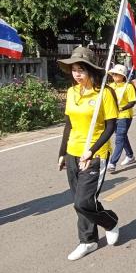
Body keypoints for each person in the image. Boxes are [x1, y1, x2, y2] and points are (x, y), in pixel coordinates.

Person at [57, 46, 119, 261]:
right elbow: (68, 124)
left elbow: (111, 127)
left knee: (82, 202)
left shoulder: (105, 93)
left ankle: (110, 221)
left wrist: (91, 151)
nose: (77, 74)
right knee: (80, 200)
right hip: (73, 152)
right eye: (74, 69)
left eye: (81, 69)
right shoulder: (72, 92)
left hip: (96, 154)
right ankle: (88, 240)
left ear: (91, 71)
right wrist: (62, 152)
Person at [107, 64, 136, 172]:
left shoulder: (128, 87)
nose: (115, 76)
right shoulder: (110, 86)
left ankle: (112, 162)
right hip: (112, 115)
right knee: (122, 136)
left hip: (124, 116)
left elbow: (132, 101)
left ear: (123, 76)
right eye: (114, 74)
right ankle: (130, 155)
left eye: (117, 74)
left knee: (119, 139)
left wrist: (122, 108)